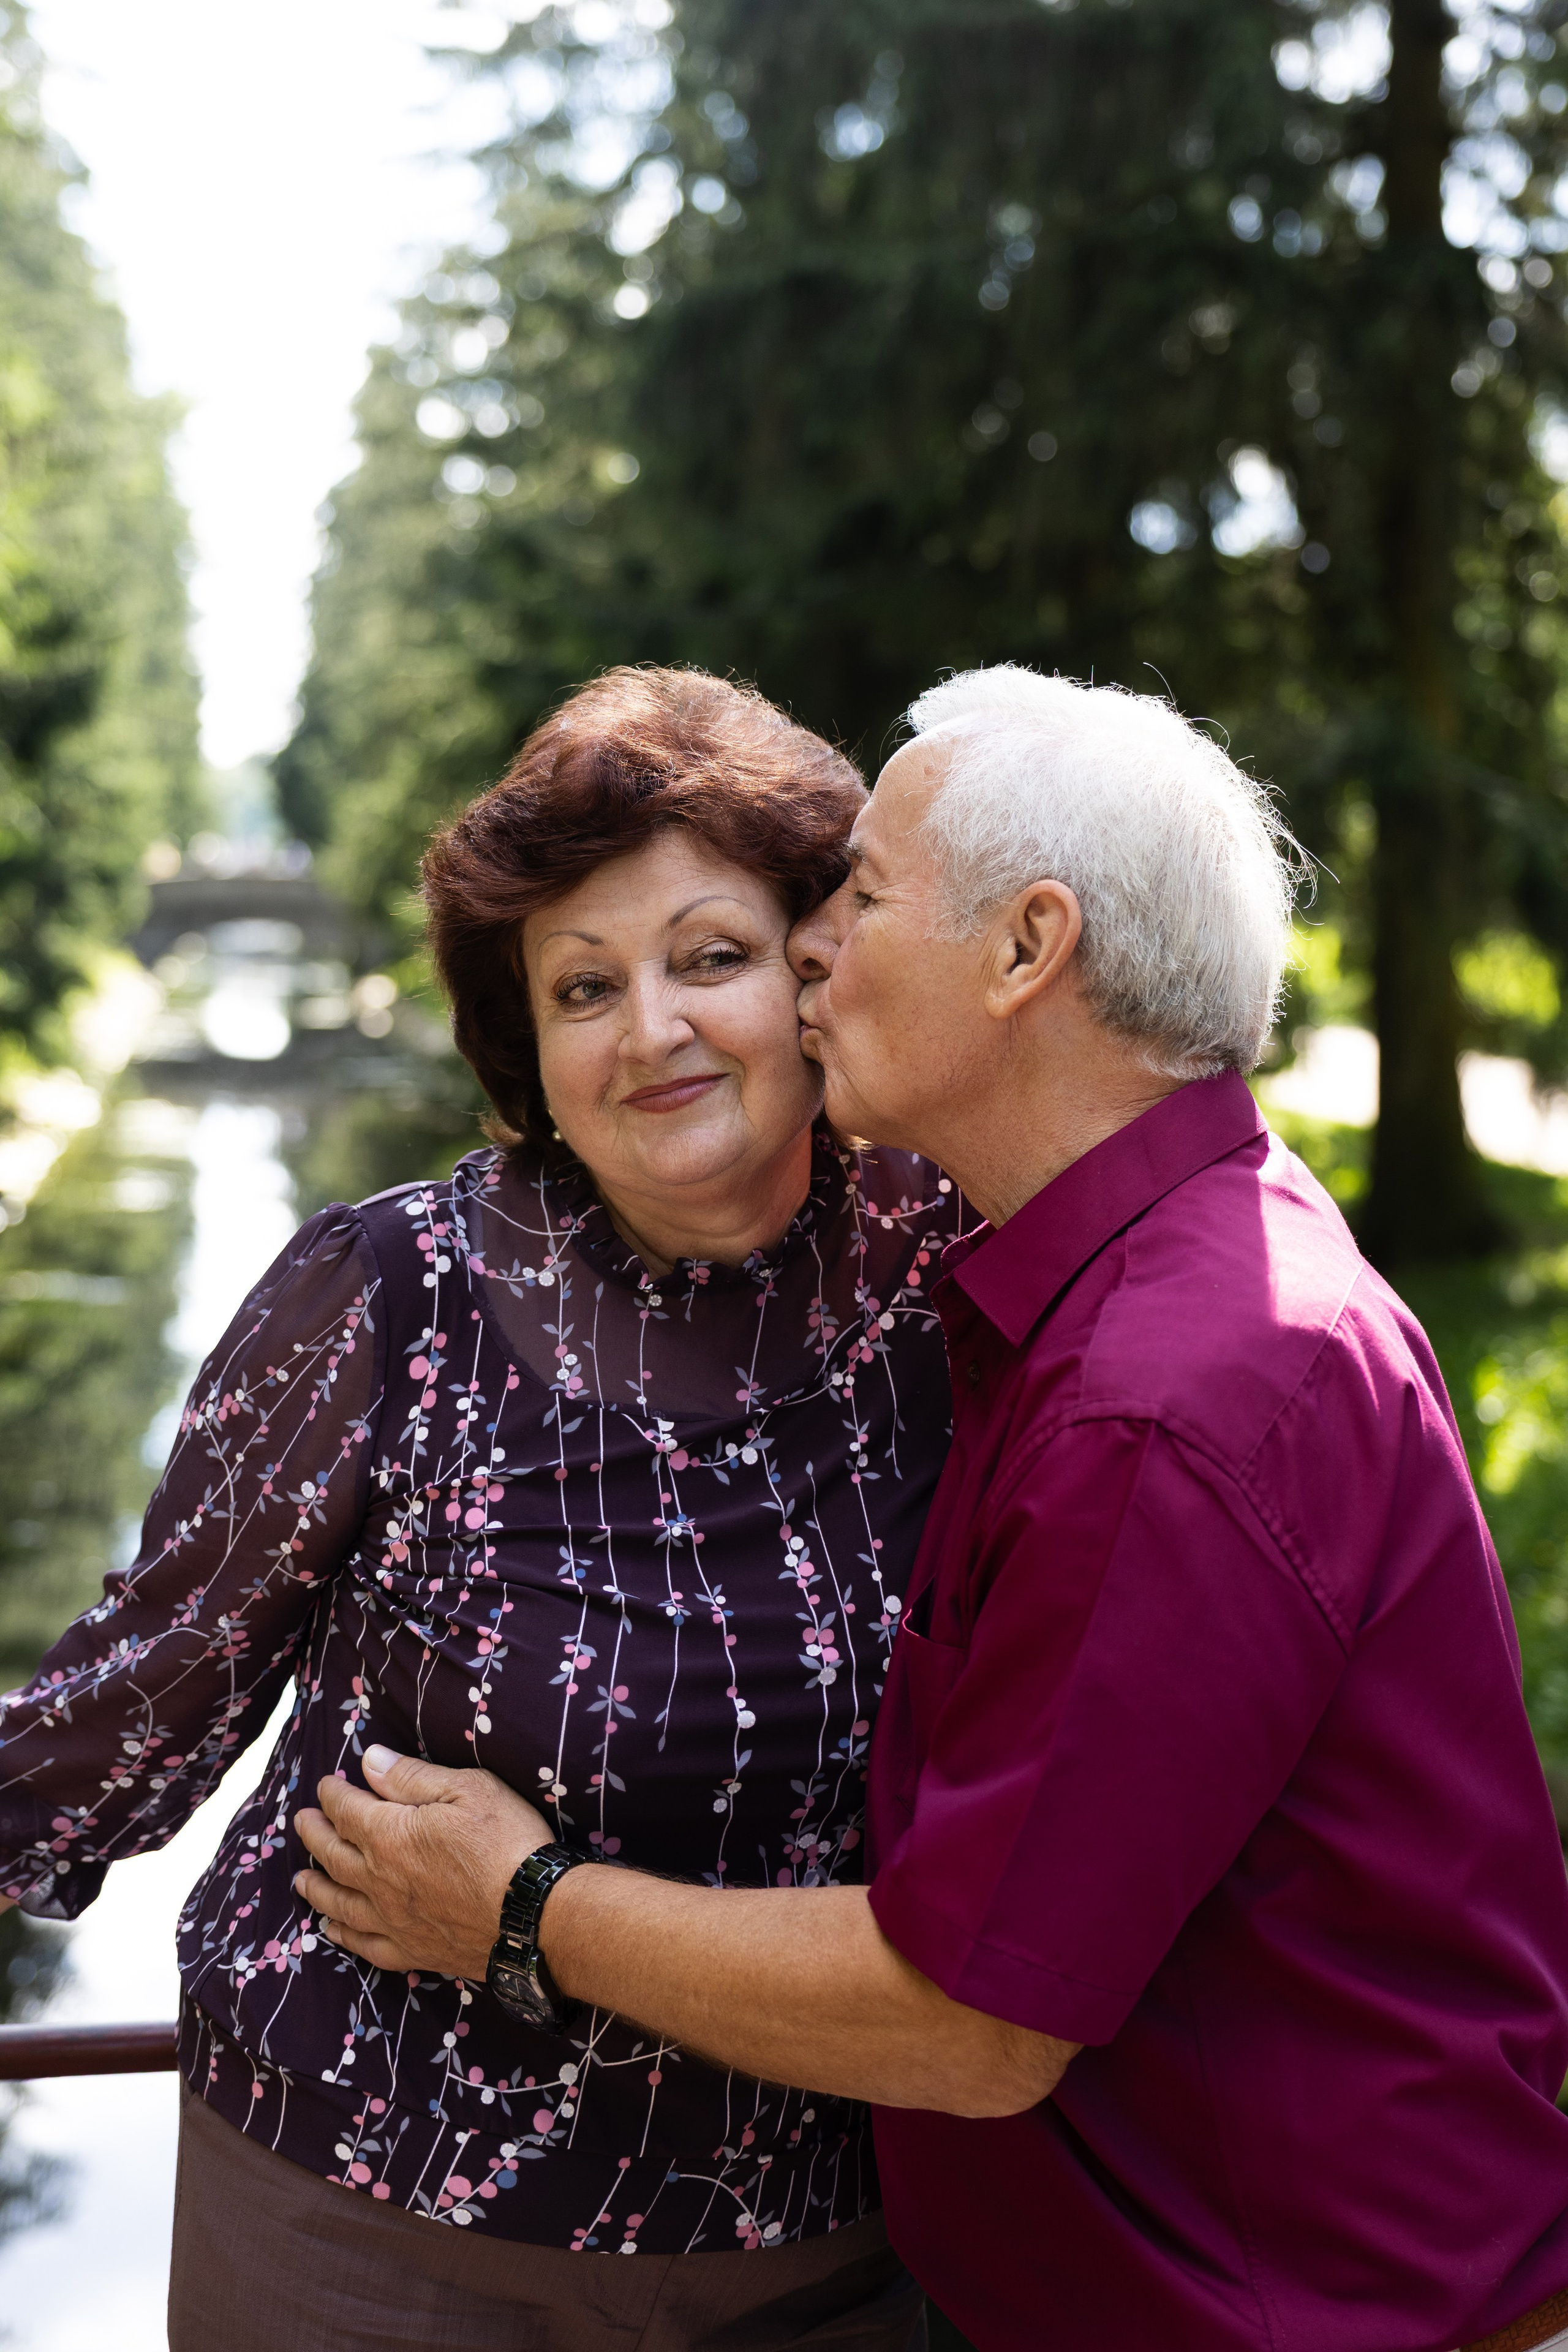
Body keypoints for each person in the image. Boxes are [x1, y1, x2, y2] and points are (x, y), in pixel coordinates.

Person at [298, 666, 1568, 2352]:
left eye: (865, 899)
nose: (812, 947)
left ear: (1028, 950)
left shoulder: (1170, 1397)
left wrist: (524, 1909)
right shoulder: (1147, 1267)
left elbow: (976, 2020)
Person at [0, 667, 971, 2351]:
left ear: (820, 964)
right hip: (368, 2238)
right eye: (583, 985)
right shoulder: (390, 1291)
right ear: (527, 1040)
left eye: (712, 958)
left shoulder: (957, 1271)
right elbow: (123, 1714)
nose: (651, 1029)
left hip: (834, 2253)